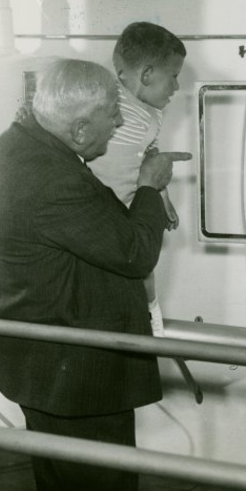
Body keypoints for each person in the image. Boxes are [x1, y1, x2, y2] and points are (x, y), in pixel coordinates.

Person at [0, 58, 191, 491]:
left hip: (41, 366)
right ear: (76, 129)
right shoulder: (53, 177)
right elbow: (133, 253)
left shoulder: (11, 148)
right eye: (113, 112)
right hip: (76, 378)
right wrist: (149, 187)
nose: (118, 122)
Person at [88, 22, 185, 338]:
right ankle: (147, 318)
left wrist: (162, 198)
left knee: (144, 268)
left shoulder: (152, 110)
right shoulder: (108, 102)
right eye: (173, 76)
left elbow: (148, 154)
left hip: (132, 204)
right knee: (128, 269)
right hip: (102, 210)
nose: (176, 86)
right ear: (146, 75)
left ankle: (151, 314)